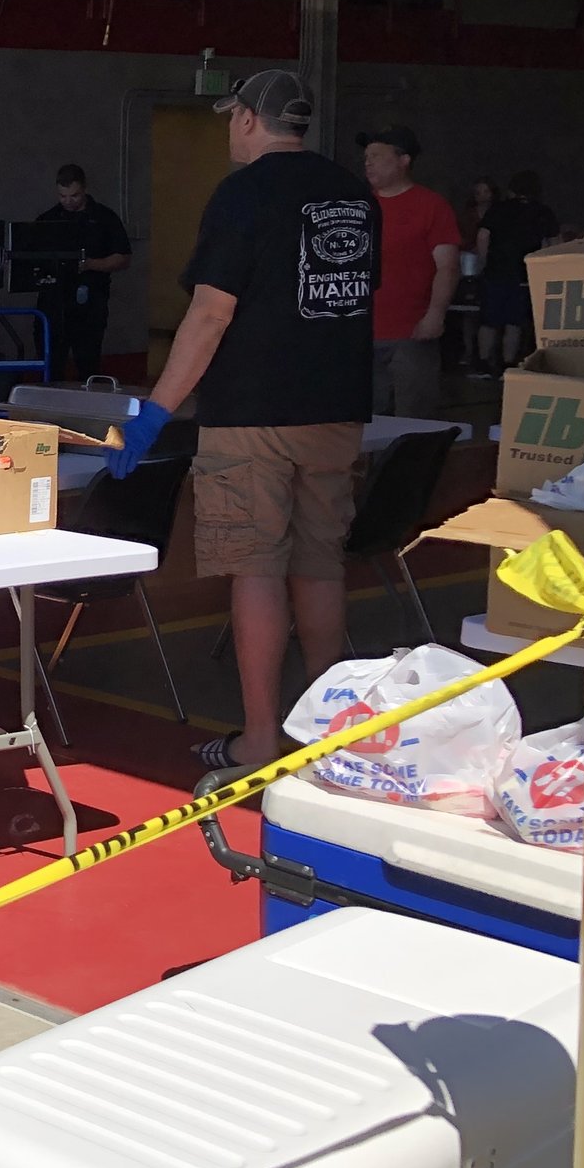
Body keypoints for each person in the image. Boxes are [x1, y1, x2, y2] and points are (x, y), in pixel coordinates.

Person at [109, 69, 377, 770]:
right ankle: (326, 735)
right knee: (320, 565)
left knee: (256, 568)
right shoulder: (353, 194)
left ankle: (259, 738)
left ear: (253, 120)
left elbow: (210, 312)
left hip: (252, 413)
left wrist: (157, 410)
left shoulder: (242, 195)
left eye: (233, 116)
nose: (230, 127)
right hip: (337, 408)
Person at [359, 124, 459, 416]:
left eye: (377, 155)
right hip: (363, 332)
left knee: (412, 417)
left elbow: (448, 266)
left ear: (404, 160)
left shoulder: (430, 206)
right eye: (366, 156)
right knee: (366, 421)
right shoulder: (359, 205)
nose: (368, 162)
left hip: (411, 334)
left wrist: (435, 315)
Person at [28, 162, 131, 382]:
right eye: (63, 196)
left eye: (74, 196)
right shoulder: (48, 220)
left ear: (84, 188)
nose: (68, 201)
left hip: (90, 300)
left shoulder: (104, 217)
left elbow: (122, 257)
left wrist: (90, 264)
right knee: (50, 361)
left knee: (88, 362)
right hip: (52, 302)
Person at [476, 169, 558, 374]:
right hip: (524, 274)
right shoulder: (542, 212)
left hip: (495, 271)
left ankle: (484, 363)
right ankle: (508, 364)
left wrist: (483, 262)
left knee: (489, 321)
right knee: (514, 322)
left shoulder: (498, 209)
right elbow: (554, 245)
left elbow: (483, 236)